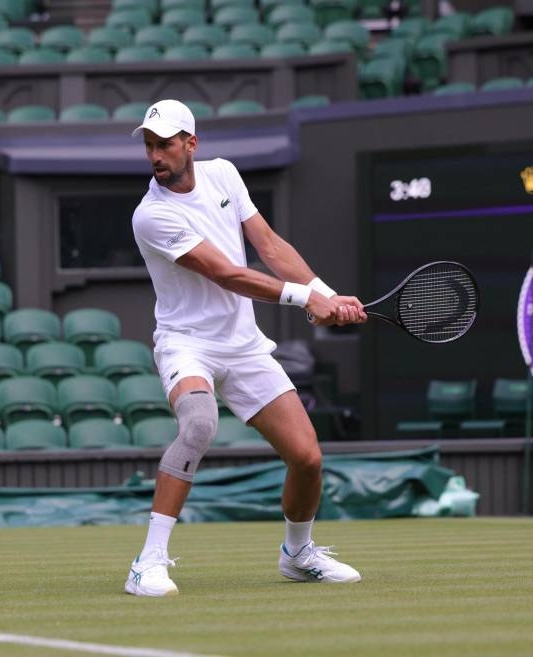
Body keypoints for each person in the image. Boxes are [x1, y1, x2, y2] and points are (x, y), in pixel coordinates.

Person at [125, 99, 367, 597]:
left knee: (307, 457)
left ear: (191, 143)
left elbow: (270, 246)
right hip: (186, 344)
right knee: (199, 425)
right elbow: (228, 274)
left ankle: (297, 555)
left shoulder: (224, 175)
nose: (155, 156)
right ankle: (147, 562)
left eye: (164, 144)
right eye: (149, 146)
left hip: (243, 346)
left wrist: (326, 294)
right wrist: (307, 300)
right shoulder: (151, 216)